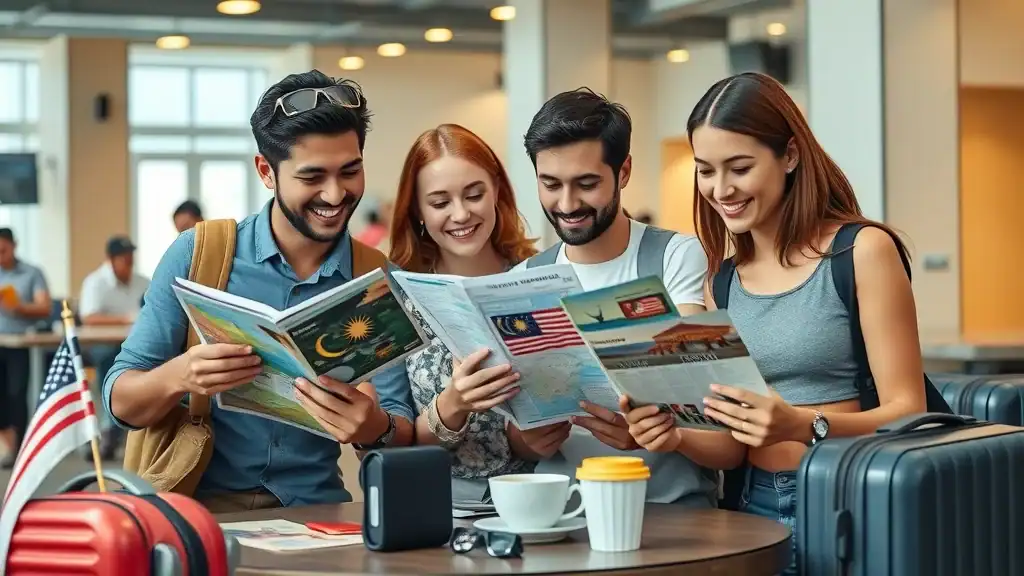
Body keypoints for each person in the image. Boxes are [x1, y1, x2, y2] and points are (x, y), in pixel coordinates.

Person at [622, 72, 927, 573]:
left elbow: (907, 410)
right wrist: (673, 435)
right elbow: (729, 450)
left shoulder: (861, 251)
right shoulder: (720, 280)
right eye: (705, 170)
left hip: (843, 497)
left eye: (739, 167)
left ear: (789, 155)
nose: (721, 190)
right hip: (752, 507)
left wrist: (801, 424)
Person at [103, 71, 417, 512]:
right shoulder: (199, 255)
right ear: (266, 171)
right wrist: (181, 375)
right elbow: (121, 400)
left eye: (350, 171)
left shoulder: (377, 277)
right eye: (312, 177)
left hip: (319, 510)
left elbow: (401, 430)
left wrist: (374, 427)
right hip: (197, 505)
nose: (335, 193)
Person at [509, 88, 730, 508]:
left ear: (623, 172)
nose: (567, 204)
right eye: (550, 184)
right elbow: (522, 440)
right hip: (565, 513)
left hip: (671, 511)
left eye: (587, 184)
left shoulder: (675, 257)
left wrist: (658, 431)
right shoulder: (525, 278)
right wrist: (529, 439)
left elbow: (710, 418)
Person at [389, 123, 538, 501]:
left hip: (537, 497)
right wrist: (454, 403)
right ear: (418, 210)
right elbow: (396, 442)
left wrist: (534, 437)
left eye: (474, 195)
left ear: (496, 192)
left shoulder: (535, 279)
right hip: (437, 504)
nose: (460, 214)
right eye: (440, 203)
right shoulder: (398, 297)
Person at [78, 235, 150, 460]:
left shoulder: (142, 281)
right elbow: (89, 317)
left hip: (135, 343)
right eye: (124, 258)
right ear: (111, 259)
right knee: (112, 363)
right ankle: (110, 428)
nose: (129, 262)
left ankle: (126, 429)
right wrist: (128, 318)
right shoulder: (95, 282)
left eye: (131, 258)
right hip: (103, 345)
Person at [0, 228, 51, 469]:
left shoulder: (32, 273)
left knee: (16, 394)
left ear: (14, 246)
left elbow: (44, 307)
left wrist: (17, 307)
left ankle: (19, 448)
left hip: (21, 342)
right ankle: (6, 446)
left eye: (3, 250)